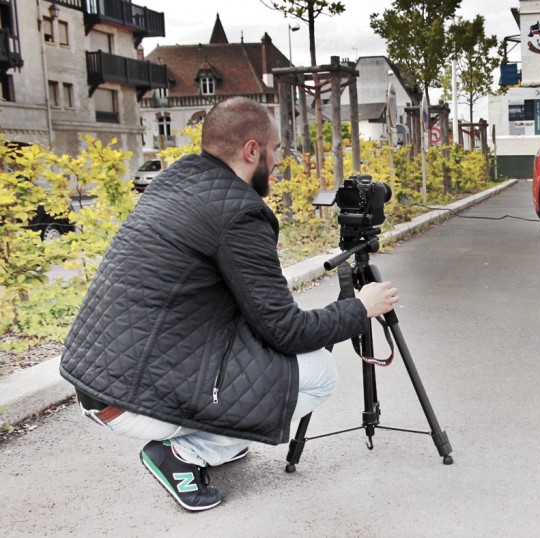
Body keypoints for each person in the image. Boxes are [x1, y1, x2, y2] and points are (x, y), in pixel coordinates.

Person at [60, 96, 398, 512]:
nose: (277, 162)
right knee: (319, 373)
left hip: (97, 376)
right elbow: (287, 331)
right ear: (251, 150)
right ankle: (187, 454)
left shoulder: (175, 179)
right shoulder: (240, 215)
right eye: (274, 150)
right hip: (128, 396)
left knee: (260, 349)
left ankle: (220, 438)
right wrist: (361, 307)